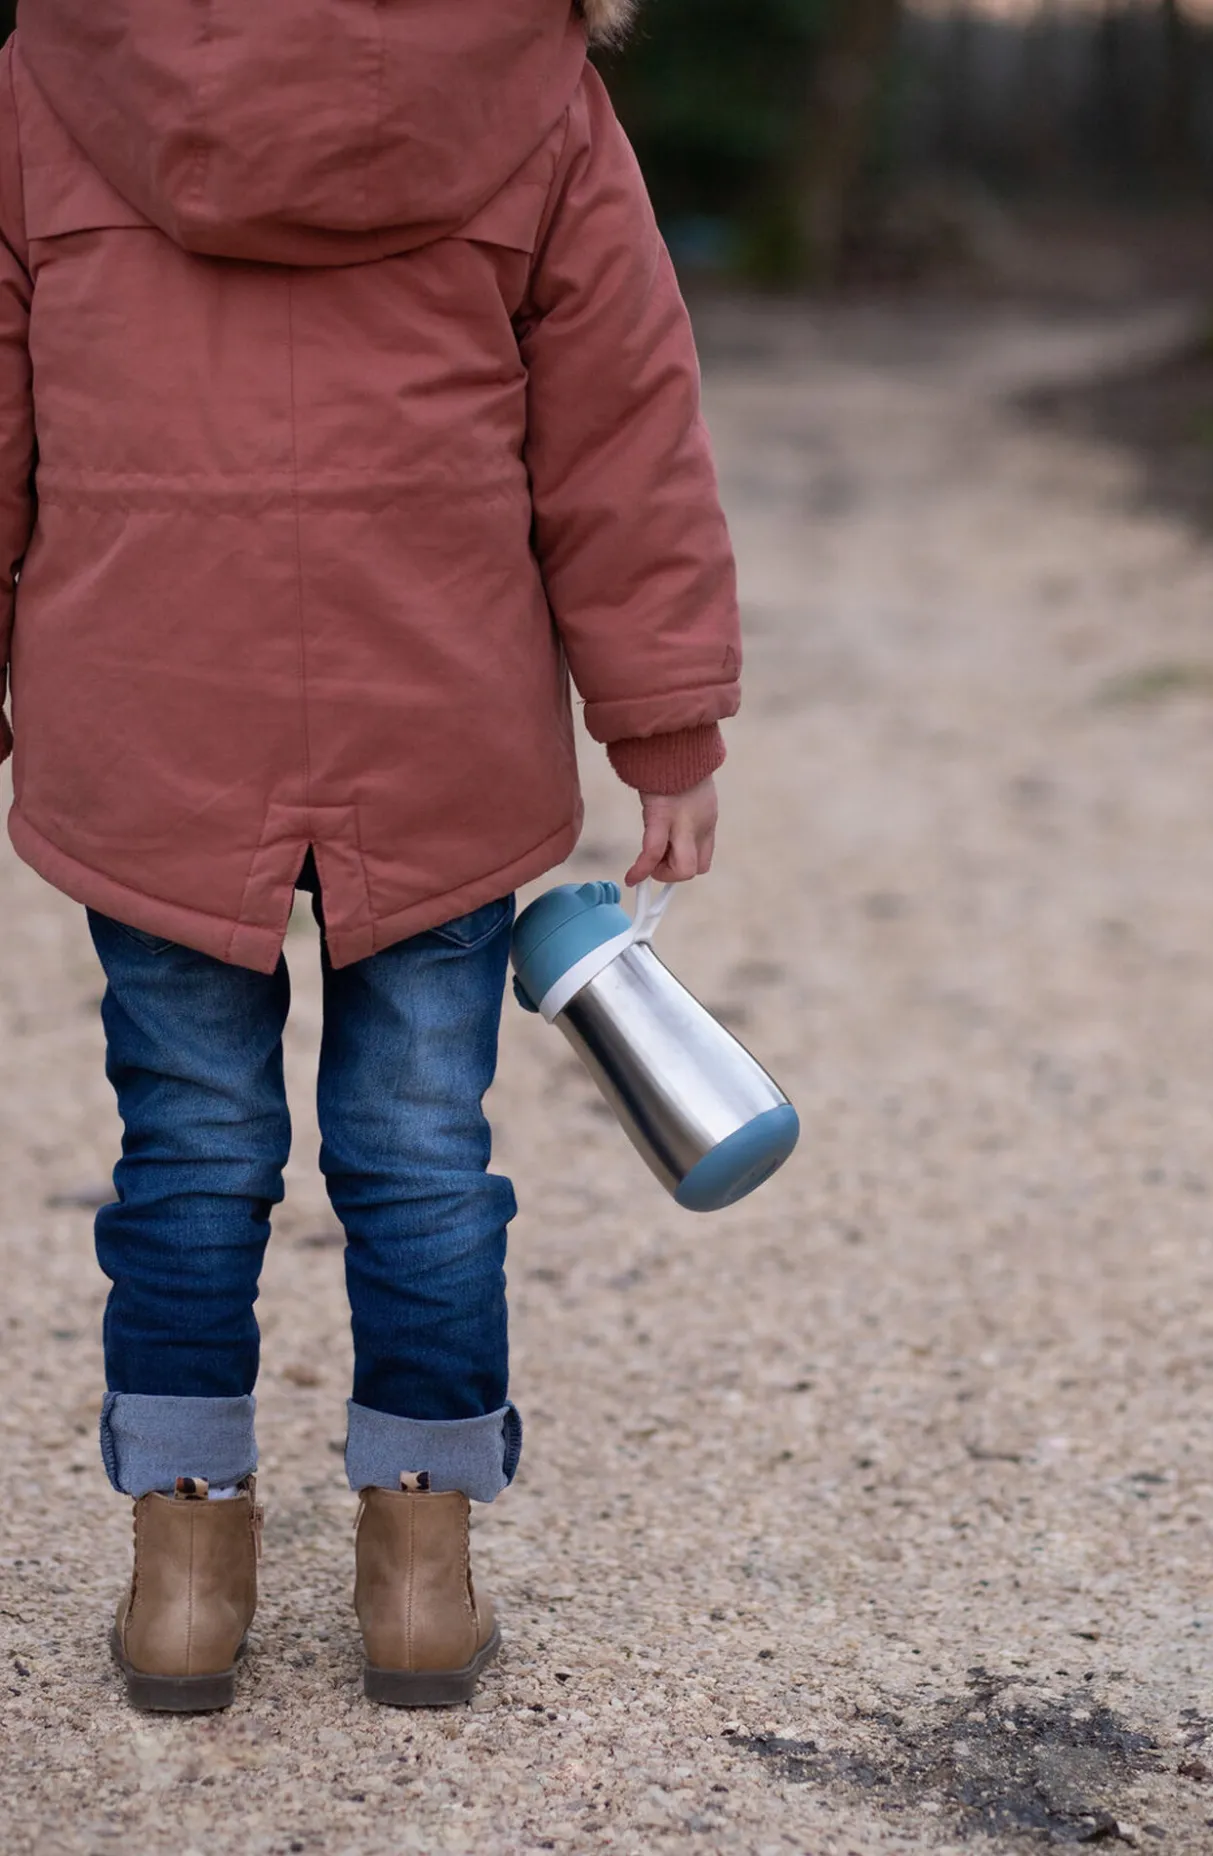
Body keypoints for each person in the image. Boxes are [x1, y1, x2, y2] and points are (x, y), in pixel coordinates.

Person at [0, 0, 739, 1712]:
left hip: (154, 712)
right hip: (441, 705)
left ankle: (185, 1569)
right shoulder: (533, 77)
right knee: (418, 1154)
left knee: (188, 1150)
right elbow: (622, 421)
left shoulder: (53, 74)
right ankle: (420, 1566)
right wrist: (666, 725)